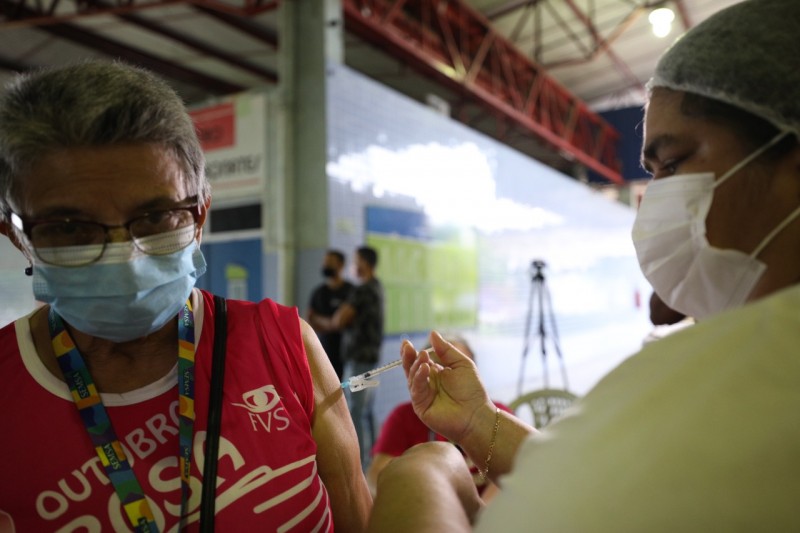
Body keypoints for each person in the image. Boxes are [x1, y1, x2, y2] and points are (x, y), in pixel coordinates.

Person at [367, 0, 800, 530]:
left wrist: (425, 476)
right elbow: (620, 479)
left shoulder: (753, 381)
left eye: (674, 164)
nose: (653, 201)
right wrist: (479, 422)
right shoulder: (734, 358)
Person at [0, 61, 371, 531]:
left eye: (156, 217)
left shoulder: (283, 345)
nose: (125, 259)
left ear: (200, 216)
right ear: (18, 237)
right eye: (70, 227)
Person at [366, 336, 511, 500]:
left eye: (456, 369)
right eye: (437, 366)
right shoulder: (403, 417)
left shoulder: (497, 414)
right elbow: (376, 478)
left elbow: (518, 472)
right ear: (421, 370)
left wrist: (482, 517)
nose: (447, 378)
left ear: (475, 373)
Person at [329, 246, 384, 468]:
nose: (354, 266)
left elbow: (339, 320)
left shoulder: (362, 291)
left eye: (356, 261)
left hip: (359, 361)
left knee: (356, 411)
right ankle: (373, 460)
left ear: (364, 264)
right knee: (367, 411)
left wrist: (337, 315)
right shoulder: (378, 287)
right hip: (371, 360)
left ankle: (359, 466)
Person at [307, 249, 355, 380]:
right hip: (325, 351)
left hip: (348, 353)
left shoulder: (351, 291)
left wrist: (322, 320)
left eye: (329, 263)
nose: (325, 266)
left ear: (340, 265)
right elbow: (311, 321)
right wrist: (332, 323)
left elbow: (346, 322)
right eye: (324, 263)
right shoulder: (318, 293)